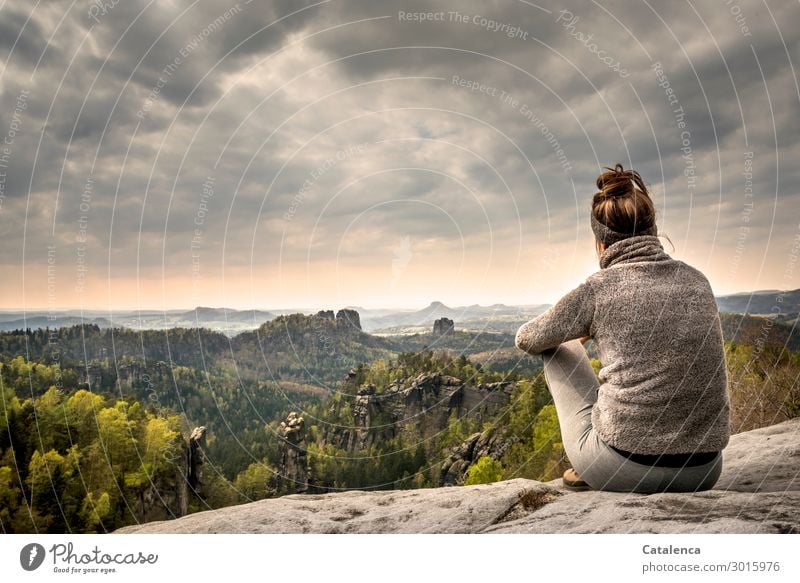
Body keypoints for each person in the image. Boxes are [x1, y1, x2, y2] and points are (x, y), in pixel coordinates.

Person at [514, 163, 730, 493]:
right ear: (653, 230)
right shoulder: (698, 281)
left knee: (561, 348)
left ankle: (592, 465)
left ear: (600, 244)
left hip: (624, 468)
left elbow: (527, 338)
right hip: (703, 471)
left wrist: (582, 334)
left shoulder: (598, 289)